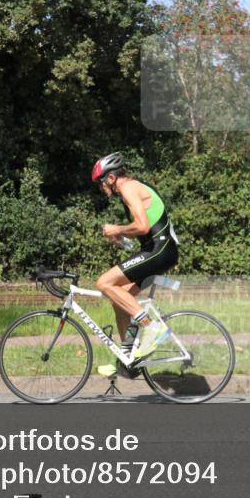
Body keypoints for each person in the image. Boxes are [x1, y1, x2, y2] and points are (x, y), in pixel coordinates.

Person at [91, 152, 179, 376]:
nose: (101, 188)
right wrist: (121, 239)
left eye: (101, 183)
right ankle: (127, 358)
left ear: (111, 178)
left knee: (103, 283)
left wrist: (117, 228)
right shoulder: (129, 190)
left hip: (160, 250)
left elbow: (141, 226)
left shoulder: (129, 188)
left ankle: (152, 328)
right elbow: (143, 231)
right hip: (155, 249)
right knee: (118, 299)